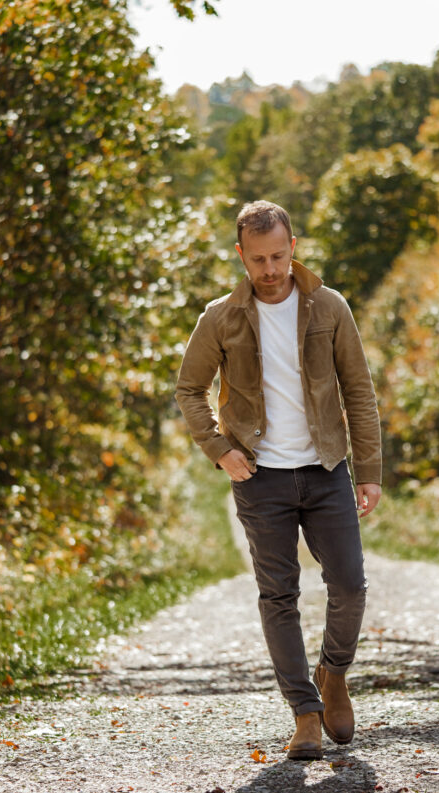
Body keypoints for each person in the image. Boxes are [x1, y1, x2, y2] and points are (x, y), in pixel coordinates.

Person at [175, 200, 382, 760]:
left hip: (326, 469)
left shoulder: (329, 306)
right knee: (279, 595)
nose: (270, 270)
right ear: (241, 255)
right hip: (260, 477)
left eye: (278, 256)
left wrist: (369, 472)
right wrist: (219, 449)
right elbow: (189, 389)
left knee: (350, 586)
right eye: (258, 259)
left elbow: (359, 391)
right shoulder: (220, 317)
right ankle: (305, 713)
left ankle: (332, 674)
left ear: (293, 247)